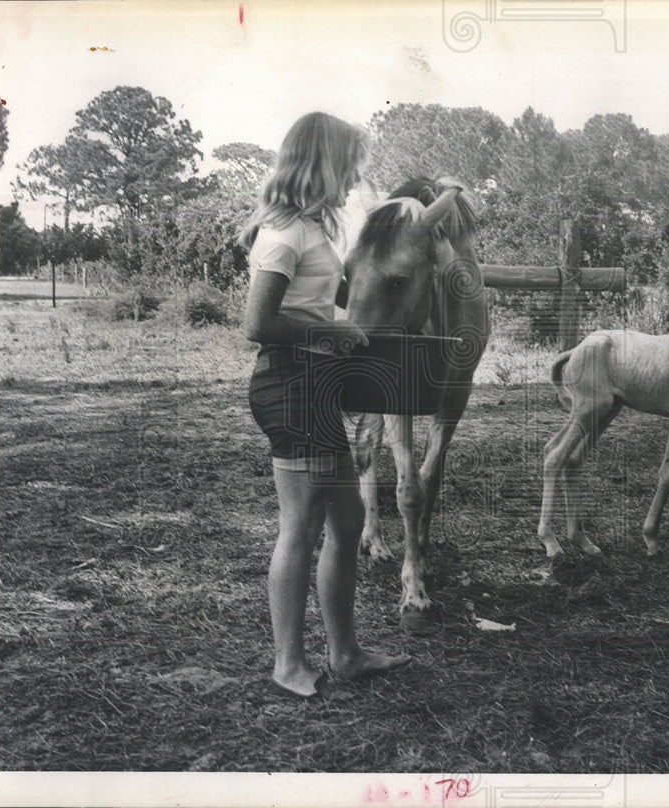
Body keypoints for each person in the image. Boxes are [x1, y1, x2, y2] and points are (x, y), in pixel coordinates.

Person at [240, 112, 410, 699]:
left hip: (313, 386)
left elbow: (329, 299)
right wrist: (326, 334)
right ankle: (288, 664)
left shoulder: (314, 231)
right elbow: (256, 323)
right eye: (349, 163)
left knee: (348, 520)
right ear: (323, 164)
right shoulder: (285, 233)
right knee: (301, 526)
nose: (355, 175)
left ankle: (345, 653)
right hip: (291, 386)